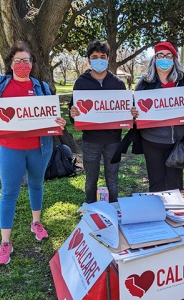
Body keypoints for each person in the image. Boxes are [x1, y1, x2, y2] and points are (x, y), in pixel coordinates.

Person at [0, 41, 66, 265]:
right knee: (9, 193)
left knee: (37, 185)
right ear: (10, 63)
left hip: (40, 148)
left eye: (26, 60)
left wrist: (58, 121)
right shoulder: (0, 83)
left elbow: (50, 115)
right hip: (10, 149)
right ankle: (5, 242)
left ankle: (36, 222)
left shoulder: (41, 87)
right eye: (17, 60)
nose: (22, 64)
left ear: (32, 63)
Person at [131, 41, 184, 192]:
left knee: (176, 186)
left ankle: (175, 213)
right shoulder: (144, 83)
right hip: (152, 141)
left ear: (174, 60)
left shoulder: (183, 81)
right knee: (156, 184)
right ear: (155, 59)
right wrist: (134, 113)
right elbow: (135, 109)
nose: (164, 59)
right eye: (160, 55)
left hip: (176, 142)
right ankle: (158, 214)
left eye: (169, 56)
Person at [69, 40, 126, 203]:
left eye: (102, 56)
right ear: (88, 60)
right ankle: (90, 210)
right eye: (94, 57)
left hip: (113, 140)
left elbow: (125, 109)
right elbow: (73, 111)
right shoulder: (81, 82)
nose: (99, 60)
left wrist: (131, 113)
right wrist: (73, 113)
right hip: (90, 141)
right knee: (90, 181)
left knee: (113, 181)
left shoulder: (118, 83)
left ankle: (115, 210)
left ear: (108, 59)